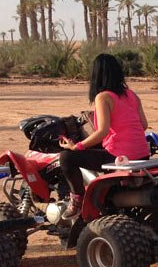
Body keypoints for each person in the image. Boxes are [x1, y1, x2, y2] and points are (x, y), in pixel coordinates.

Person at [58, 54, 149, 218]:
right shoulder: (132, 95)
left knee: (66, 158)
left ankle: (77, 199)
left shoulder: (103, 97)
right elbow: (143, 125)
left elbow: (102, 131)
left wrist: (76, 146)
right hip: (143, 153)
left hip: (119, 156)